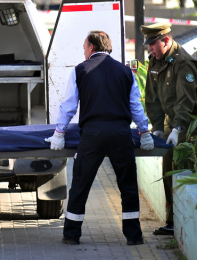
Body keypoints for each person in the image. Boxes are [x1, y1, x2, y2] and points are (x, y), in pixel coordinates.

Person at [45, 30, 154, 245]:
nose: (83, 51)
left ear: (92, 47)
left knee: (81, 184)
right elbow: (135, 106)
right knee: (128, 186)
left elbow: (68, 106)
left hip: (92, 134)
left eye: (84, 47)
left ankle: (72, 235)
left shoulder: (80, 70)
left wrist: (59, 133)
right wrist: (144, 132)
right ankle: (134, 236)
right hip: (121, 134)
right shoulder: (125, 72)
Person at [140, 22, 197, 236]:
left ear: (166, 40)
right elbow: (152, 99)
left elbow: (186, 102)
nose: (150, 49)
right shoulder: (156, 61)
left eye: (153, 44)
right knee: (167, 173)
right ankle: (172, 221)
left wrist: (178, 128)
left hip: (187, 127)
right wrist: (156, 127)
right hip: (168, 125)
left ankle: (180, 223)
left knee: (181, 170)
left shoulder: (183, 64)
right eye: (149, 44)